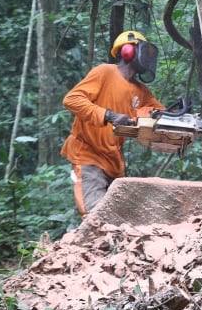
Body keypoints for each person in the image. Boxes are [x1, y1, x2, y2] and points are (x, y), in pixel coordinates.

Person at [61, 30, 165, 216]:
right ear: (128, 51)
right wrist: (108, 115)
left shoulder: (141, 91)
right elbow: (72, 99)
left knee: (120, 217)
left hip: (114, 162)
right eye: (143, 51)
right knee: (96, 214)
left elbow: (160, 113)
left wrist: (183, 118)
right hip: (88, 155)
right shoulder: (105, 72)